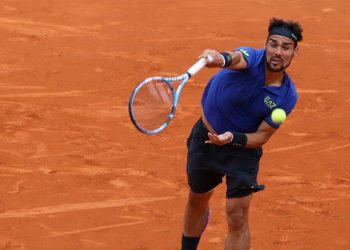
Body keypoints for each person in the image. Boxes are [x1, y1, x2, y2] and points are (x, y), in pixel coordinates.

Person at [181, 17, 303, 250]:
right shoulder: (252, 57)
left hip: (241, 151)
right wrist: (219, 58)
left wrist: (232, 138)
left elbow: (262, 136)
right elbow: (235, 58)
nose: (278, 52)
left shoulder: (287, 96)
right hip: (205, 139)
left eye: (285, 47)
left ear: (295, 52)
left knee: (237, 216)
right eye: (273, 44)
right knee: (197, 199)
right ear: (265, 45)